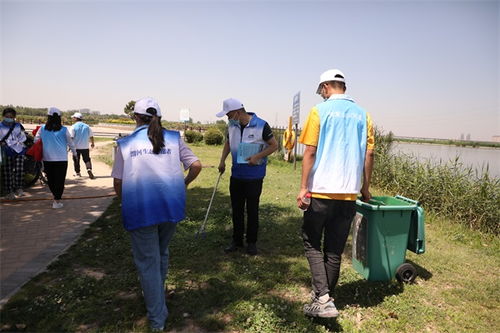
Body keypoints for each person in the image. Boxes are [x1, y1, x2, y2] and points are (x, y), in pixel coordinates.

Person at [111, 97, 201, 331]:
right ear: (158, 118)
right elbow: (197, 165)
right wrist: (183, 184)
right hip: (170, 206)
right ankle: (158, 299)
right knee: (160, 253)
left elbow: (118, 183)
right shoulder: (174, 138)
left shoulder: (125, 143)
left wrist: (125, 201)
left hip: (140, 209)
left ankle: (157, 318)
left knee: (148, 262)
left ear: (135, 118)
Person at [297, 69, 375, 318]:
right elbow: (369, 155)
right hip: (348, 195)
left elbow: (309, 151)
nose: (321, 94)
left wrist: (303, 187)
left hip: (320, 191)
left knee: (311, 243)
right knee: (334, 250)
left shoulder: (319, 111)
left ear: (328, 86)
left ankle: (322, 298)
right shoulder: (364, 115)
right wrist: (364, 187)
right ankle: (326, 297)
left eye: (321, 90)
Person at [216, 98, 278, 255]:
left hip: (254, 177)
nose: (227, 118)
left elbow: (274, 145)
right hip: (236, 175)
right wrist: (222, 161)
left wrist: (257, 156)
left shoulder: (261, 124)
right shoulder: (232, 125)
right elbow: (228, 144)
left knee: (252, 210)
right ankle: (237, 241)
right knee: (236, 209)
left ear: (237, 112)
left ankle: (251, 242)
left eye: (228, 115)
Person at [35, 107, 77, 209]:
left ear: (48, 117)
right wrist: (75, 153)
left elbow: (36, 140)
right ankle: (57, 200)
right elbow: (70, 143)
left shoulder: (42, 128)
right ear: (59, 118)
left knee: (51, 179)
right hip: (61, 159)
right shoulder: (64, 129)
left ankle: (55, 196)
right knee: (60, 180)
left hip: (47, 158)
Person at [0, 107, 27, 199]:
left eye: (11, 117)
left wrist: (19, 141)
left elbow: (23, 136)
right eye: (7, 116)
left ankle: (19, 188)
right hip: (6, 151)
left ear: (14, 117)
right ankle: (9, 191)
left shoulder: (18, 125)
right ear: (3, 116)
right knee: (7, 172)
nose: (9, 118)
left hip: (19, 150)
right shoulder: (0, 126)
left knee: (19, 170)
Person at [69, 112, 95, 179]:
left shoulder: (73, 127)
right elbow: (91, 136)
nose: (73, 119)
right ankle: (89, 169)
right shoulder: (87, 126)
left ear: (76, 118)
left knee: (76, 160)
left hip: (76, 147)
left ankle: (78, 173)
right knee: (87, 159)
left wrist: (69, 146)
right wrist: (92, 143)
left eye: (73, 117)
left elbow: (71, 137)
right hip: (85, 146)